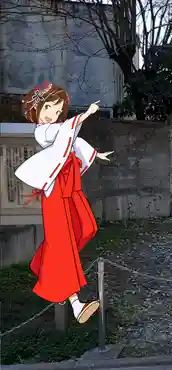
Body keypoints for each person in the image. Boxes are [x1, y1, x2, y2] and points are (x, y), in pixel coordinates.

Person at [14, 82, 113, 324]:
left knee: (87, 227)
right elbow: (64, 134)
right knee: (63, 245)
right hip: (55, 191)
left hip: (70, 186)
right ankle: (76, 304)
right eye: (49, 107)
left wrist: (96, 154)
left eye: (58, 111)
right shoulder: (42, 131)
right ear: (36, 107)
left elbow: (73, 141)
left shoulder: (59, 129)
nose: (53, 114)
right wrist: (86, 115)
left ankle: (45, 266)